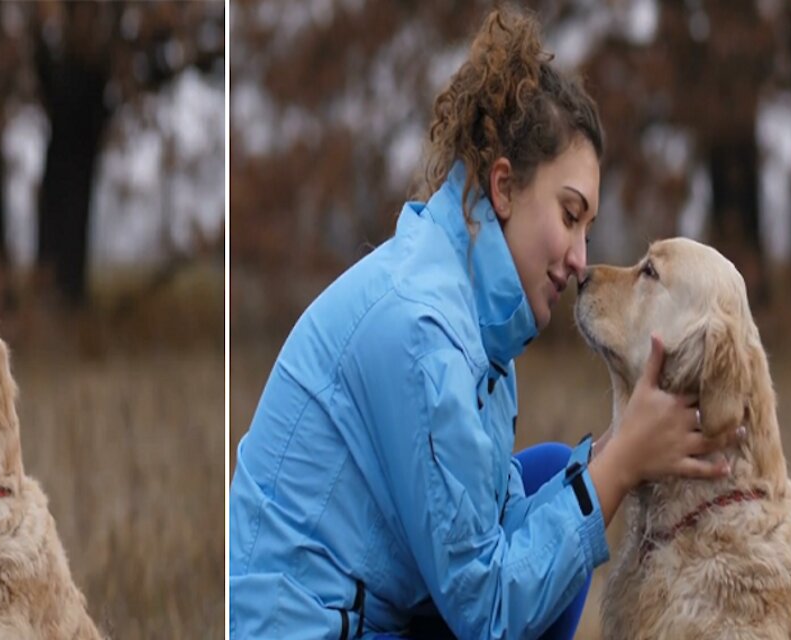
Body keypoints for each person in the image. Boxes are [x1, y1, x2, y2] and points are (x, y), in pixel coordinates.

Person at [228, 6, 743, 639]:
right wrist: (617, 469)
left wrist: (617, 447)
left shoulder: (476, 319)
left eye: (588, 226)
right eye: (570, 214)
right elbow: (489, 614)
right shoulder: (424, 332)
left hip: (375, 613)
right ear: (503, 188)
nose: (583, 258)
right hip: (309, 630)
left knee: (555, 472)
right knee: (573, 498)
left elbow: (494, 537)